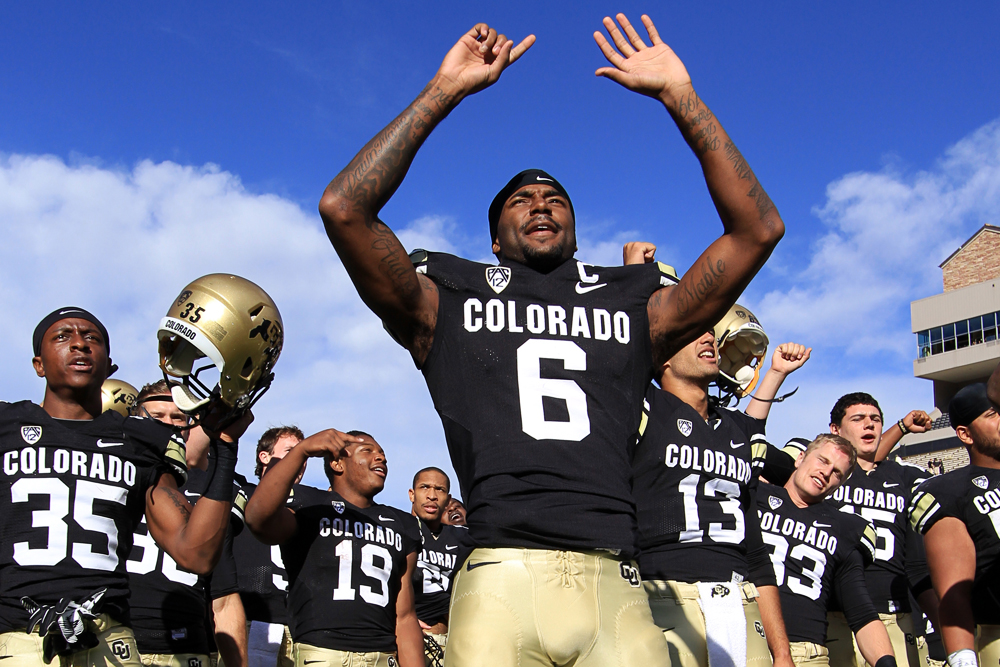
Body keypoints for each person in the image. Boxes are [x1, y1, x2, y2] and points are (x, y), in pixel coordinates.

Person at [318, 13, 784, 666]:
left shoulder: (632, 306)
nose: (540, 203)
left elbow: (758, 230)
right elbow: (344, 207)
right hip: (499, 576)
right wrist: (444, 90)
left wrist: (682, 97)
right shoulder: (449, 302)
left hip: (615, 579)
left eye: (555, 198)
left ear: (576, 227)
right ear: (492, 240)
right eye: (521, 199)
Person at [0, 307, 250, 667]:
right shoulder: (7, 425)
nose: (79, 344)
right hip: (20, 636)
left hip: (109, 639)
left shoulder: (138, 442)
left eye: (92, 337)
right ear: (39, 365)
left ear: (109, 366)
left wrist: (225, 451)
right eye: (63, 336)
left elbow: (195, 554)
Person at [632, 323, 802, 667]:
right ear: (662, 357)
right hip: (665, 594)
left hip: (739, 598)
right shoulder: (643, 407)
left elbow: (756, 552)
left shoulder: (738, 429)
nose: (708, 337)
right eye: (692, 332)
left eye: (710, 331)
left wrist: (782, 652)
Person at [245, 431, 423, 667]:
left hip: (383, 655)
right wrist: (301, 451)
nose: (381, 457)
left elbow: (405, 616)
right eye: (367, 450)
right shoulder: (309, 505)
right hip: (323, 653)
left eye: (382, 453)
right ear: (337, 463)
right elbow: (258, 518)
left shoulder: (401, 524)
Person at [125, 380, 248, 667]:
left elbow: (223, 597)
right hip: (111, 640)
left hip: (185, 649)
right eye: (157, 415)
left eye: (178, 417)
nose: (167, 424)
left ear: (190, 426)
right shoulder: (112, 469)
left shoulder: (212, 489)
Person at [818, 394, 938, 667]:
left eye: (875, 419)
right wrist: (902, 427)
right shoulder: (825, 474)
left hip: (894, 615)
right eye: (858, 419)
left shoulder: (905, 476)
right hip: (836, 614)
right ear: (835, 429)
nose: (869, 424)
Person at [757, 434, 896, 667]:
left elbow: (861, 612)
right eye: (822, 460)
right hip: (747, 638)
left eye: (837, 473)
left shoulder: (843, 528)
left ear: (840, 485)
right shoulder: (753, 496)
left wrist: (887, 664)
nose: (826, 472)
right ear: (800, 458)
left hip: (806, 652)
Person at [909, 383, 1000, 667]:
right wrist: (963, 657)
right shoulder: (951, 491)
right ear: (965, 434)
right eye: (992, 414)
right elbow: (953, 592)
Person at [234, 426, 306, 667]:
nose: (299, 460)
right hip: (251, 619)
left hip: (297, 627)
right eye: (290, 451)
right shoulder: (243, 494)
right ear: (264, 456)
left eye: (303, 454)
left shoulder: (310, 504)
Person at [408, 468, 470, 666]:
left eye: (439, 489)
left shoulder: (462, 536)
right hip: (411, 640)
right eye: (424, 487)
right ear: (412, 494)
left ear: (447, 498)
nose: (432, 495)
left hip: (454, 642)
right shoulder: (398, 527)